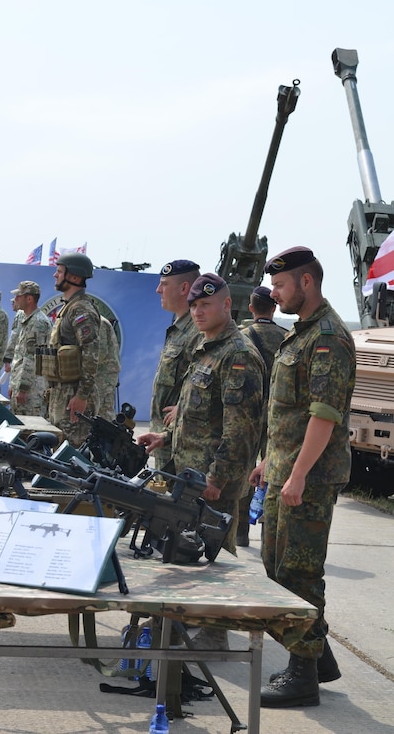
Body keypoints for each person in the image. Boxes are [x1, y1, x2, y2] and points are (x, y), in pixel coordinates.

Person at [249, 247, 356, 708]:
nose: (274, 294)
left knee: (299, 573)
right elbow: (287, 413)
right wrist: (270, 463)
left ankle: (303, 676)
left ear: (306, 283)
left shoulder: (328, 337)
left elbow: (323, 415)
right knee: (276, 569)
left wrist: (295, 476)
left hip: (308, 479)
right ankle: (320, 657)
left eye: (280, 286)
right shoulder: (301, 334)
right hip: (286, 470)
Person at [138, 273, 264, 649]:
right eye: (193, 306)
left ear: (227, 305)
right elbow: (196, 416)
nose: (197, 312)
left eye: (205, 305)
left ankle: (215, 632)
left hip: (212, 481)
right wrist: (166, 436)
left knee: (216, 554)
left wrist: (218, 478)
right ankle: (187, 618)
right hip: (188, 474)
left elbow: (240, 430)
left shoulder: (238, 355)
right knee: (186, 549)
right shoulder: (205, 349)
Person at [236, 286, 288, 546]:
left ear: (251, 308)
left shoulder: (242, 337)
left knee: (247, 469)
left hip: (249, 413)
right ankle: (269, 530)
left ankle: (240, 532)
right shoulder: (286, 336)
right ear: (274, 307)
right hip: (276, 414)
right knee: (273, 470)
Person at [149, 259, 201, 470]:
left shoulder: (197, 330)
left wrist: (185, 406)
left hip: (181, 442)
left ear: (184, 288)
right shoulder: (180, 327)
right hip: (165, 437)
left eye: (164, 284)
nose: (158, 290)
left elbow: (209, 379)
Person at [47, 252, 101, 447]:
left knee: (71, 453)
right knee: (58, 450)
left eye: (59, 271)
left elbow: (91, 354)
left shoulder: (81, 310)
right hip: (63, 392)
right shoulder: (69, 308)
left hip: (74, 395)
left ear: (74, 277)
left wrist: (82, 395)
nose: (55, 275)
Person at [8, 280, 51, 417]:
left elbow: (32, 359)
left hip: (32, 390)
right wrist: (14, 385)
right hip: (22, 387)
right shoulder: (27, 320)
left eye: (18, 296)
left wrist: (23, 388)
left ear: (30, 299)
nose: (15, 300)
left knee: (30, 429)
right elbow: (19, 357)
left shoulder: (38, 322)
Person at [96, 316, 121, 421]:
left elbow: (100, 353)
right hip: (99, 374)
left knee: (103, 414)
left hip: (103, 375)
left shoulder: (99, 322)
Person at [2, 297, 24, 376]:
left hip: (19, 357)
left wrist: (7, 359)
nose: (12, 304)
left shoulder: (20, 313)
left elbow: (14, 336)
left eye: (13, 302)